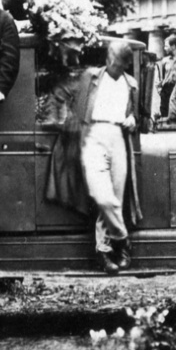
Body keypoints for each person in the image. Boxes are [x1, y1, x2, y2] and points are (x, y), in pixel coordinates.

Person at [45, 41, 142, 274]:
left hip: (118, 136)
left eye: (118, 64)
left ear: (126, 64)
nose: (112, 66)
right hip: (93, 136)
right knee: (102, 195)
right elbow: (59, 92)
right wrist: (60, 121)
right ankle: (120, 240)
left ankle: (107, 250)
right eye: (110, 61)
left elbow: (136, 115)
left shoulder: (132, 84)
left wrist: (132, 120)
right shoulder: (90, 76)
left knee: (116, 196)